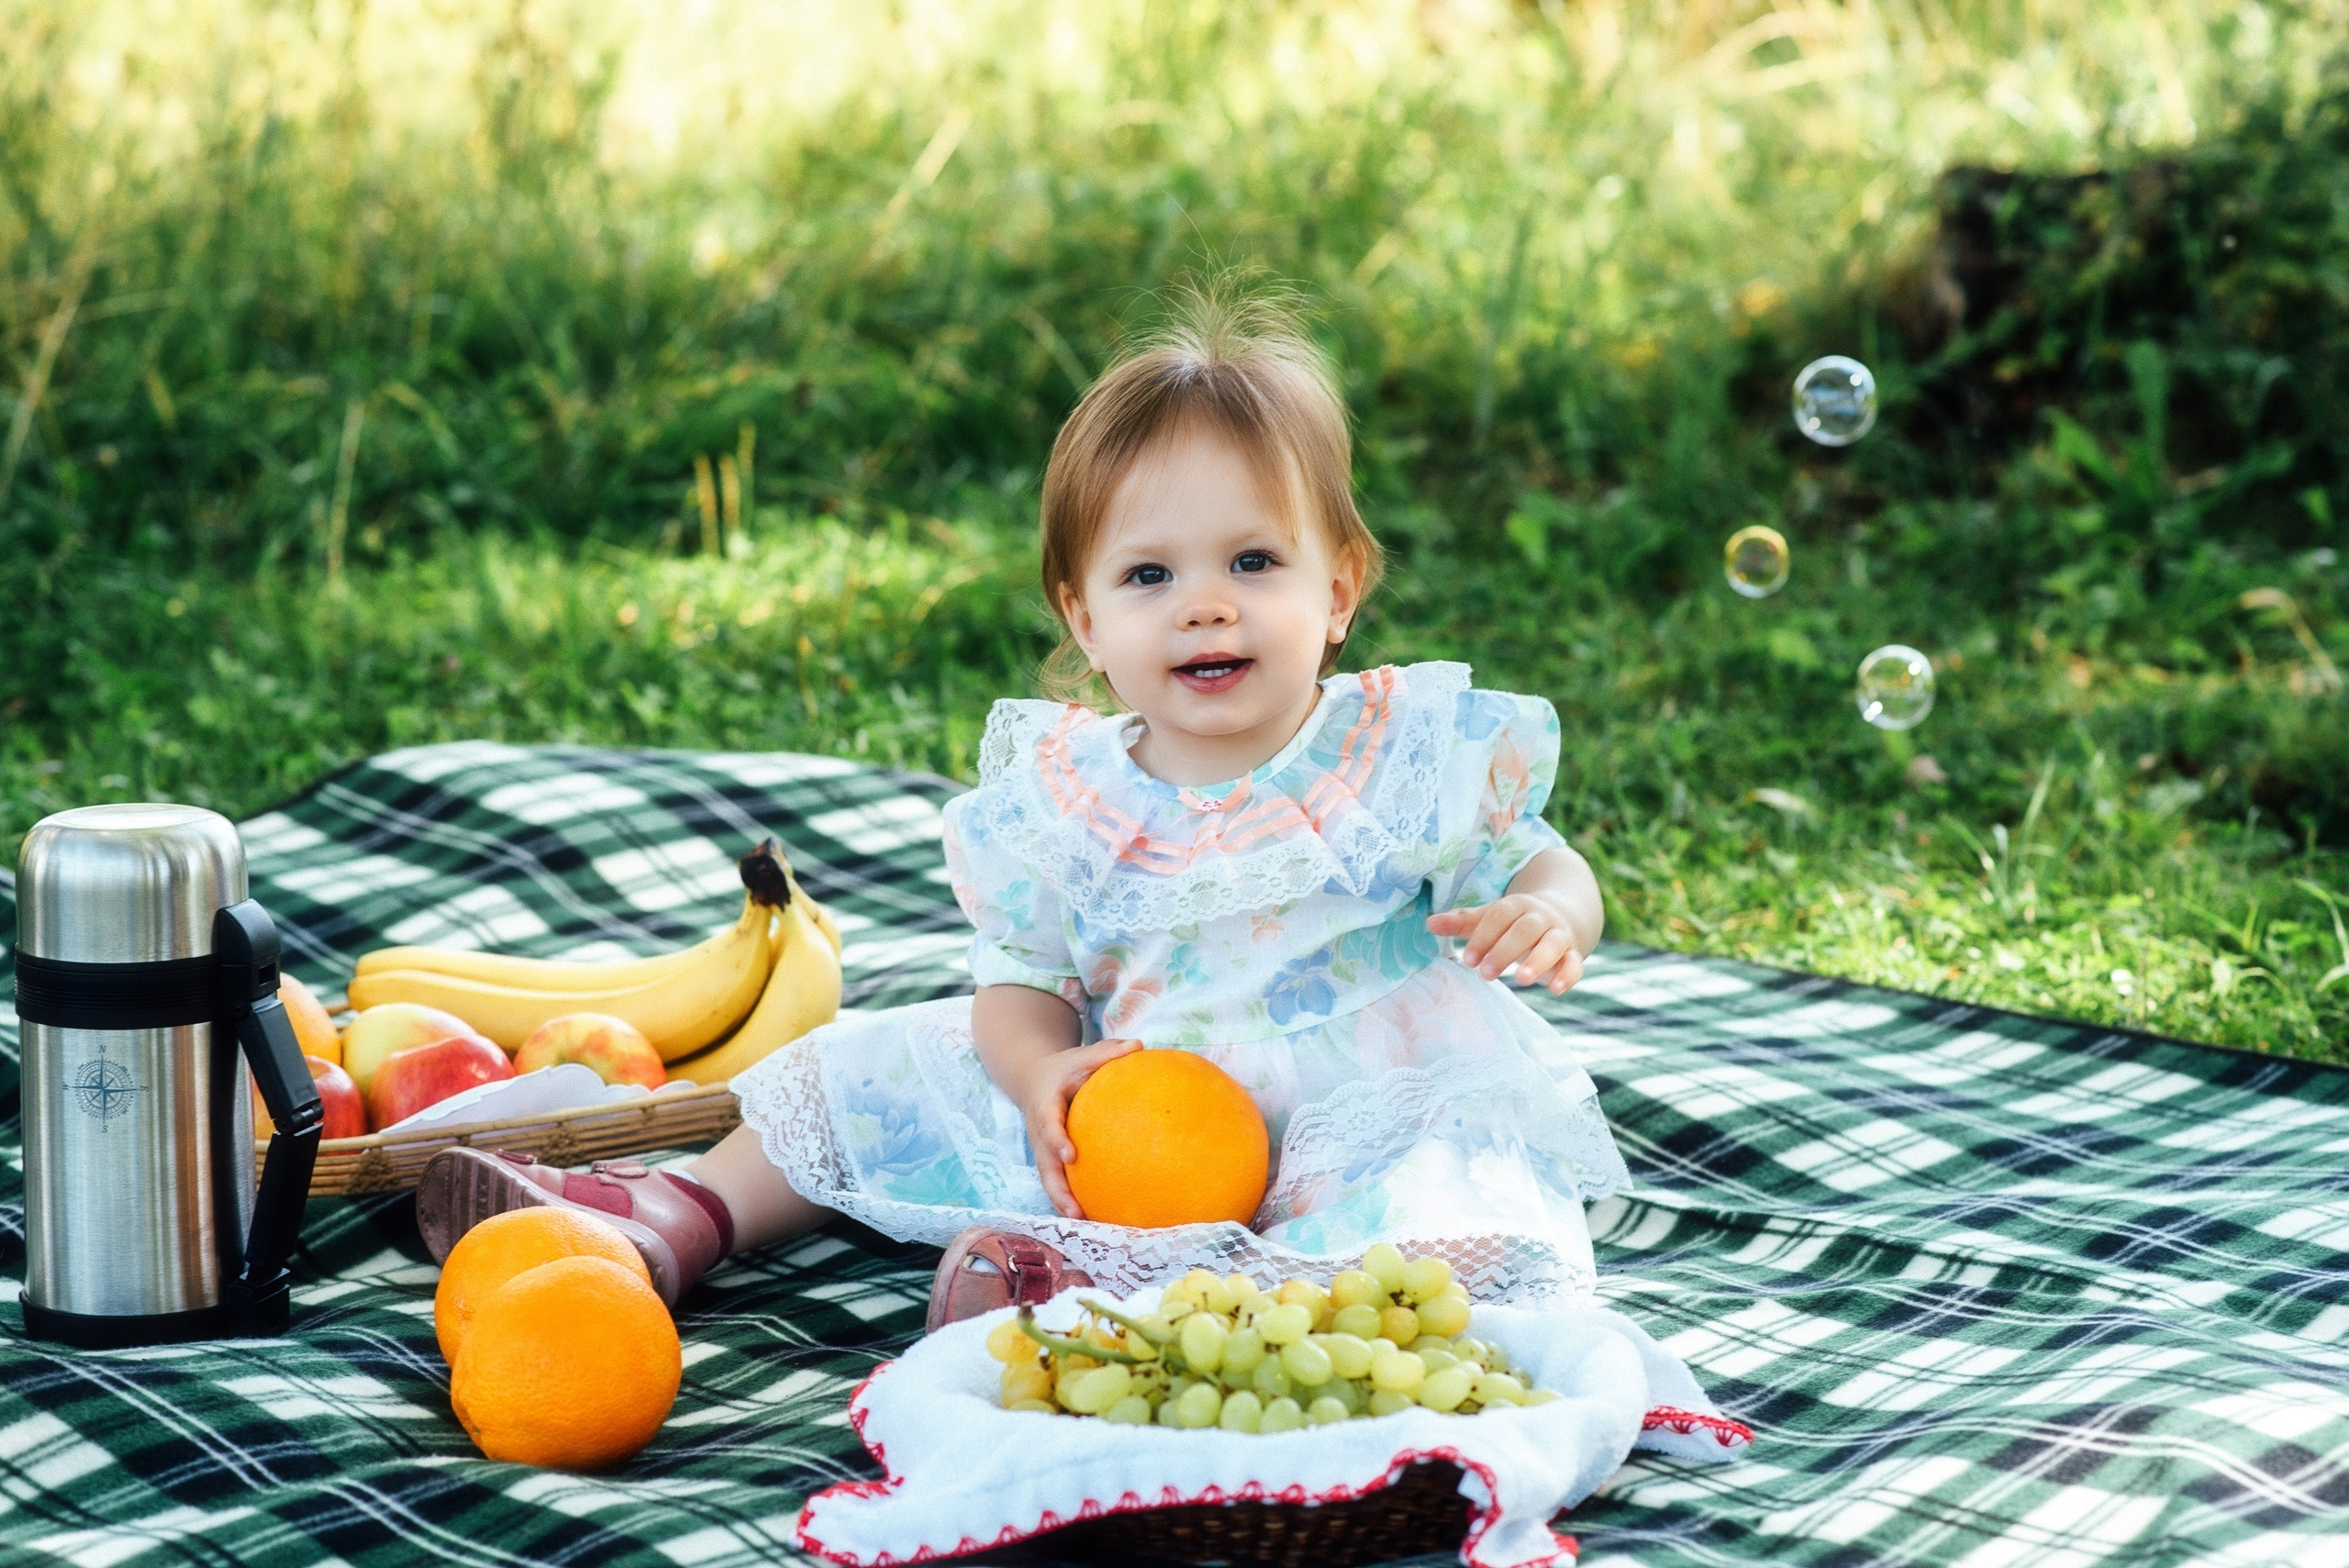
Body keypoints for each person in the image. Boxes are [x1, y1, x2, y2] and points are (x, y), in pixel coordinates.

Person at [416, 289, 1631, 1321]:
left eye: (1253, 562)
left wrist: (1550, 912)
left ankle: (1091, 1296)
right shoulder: (1069, 798)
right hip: (1132, 1119)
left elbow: (1540, 859)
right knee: (881, 1061)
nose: (1206, 604)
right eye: (1151, 575)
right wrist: (1042, 1074)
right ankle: (680, 1217)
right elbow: (1019, 978)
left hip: (1353, 1117)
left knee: (1443, 1215)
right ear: (1087, 622)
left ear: (1341, 588)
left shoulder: (1395, 756)